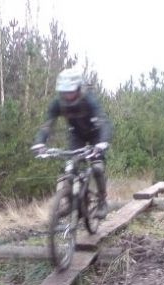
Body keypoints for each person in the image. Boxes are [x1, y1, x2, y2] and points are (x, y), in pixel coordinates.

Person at [31, 67, 112, 219]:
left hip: (96, 134)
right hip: (76, 135)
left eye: (70, 91)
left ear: (78, 87)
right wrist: (40, 142)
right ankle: (70, 201)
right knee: (69, 168)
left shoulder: (88, 100)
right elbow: (47, 125)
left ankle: (102, 201)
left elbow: (103, 122)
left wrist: (102, 143)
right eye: (64, 91)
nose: (67, 95)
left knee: (97, 167)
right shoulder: (57, 103)